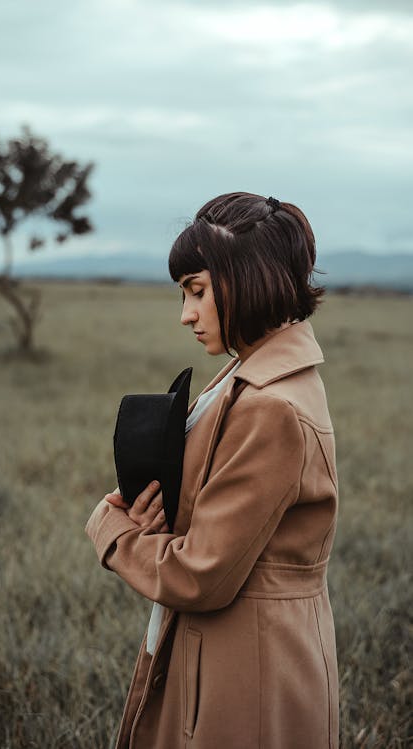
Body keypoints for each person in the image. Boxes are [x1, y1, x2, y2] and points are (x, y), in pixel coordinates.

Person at [85, 192, 339, 749]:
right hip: (245, 651)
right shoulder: (251, 373)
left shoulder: (269, 404)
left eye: (197, 290)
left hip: (246, 674)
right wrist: (163, 517)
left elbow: (203, 573)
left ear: (248, 277)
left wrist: (114, 531)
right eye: (184, 293)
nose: (186, 313)